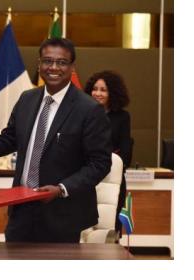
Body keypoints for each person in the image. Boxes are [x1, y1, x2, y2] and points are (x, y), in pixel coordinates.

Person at [0, 38, 112, 243]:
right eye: (48, 61)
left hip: (63, 213)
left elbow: (100, 164)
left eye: (61, 62)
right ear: (39, 64)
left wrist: (61, 189)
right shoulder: (27, 99)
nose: (54, 67)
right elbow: (9, 139)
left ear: (72, 68)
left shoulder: (89, 110)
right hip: (21, 209)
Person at [84, 70, 132, 236]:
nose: (98, 93)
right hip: (86, 176)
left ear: (113, 93)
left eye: (103, 90)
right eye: (95, 89)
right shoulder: (83, 114)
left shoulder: (122, 117)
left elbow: (125, 153)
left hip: (112, 177)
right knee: (85, 225)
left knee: (110, 226)